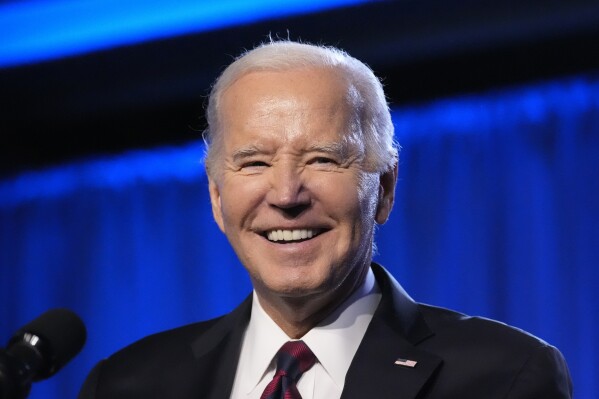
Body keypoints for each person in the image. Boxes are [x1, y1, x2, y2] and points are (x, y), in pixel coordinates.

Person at [78, 40, 572, 399]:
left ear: (384, 188)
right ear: (215, 196)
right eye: (254, 162)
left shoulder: (505, 377)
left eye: (323, 159)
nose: (287, 194)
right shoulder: (126, 385)